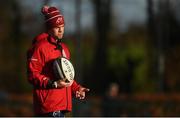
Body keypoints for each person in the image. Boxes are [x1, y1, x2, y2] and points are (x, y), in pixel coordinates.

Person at [27, 6, 90, 117]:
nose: (61, 30)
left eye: (62, 26)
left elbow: (66, 76)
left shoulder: (64, 48)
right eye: (57, 27)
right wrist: (54, 84)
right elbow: (32, 75)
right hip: (48, 109)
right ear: (49, 28)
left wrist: (77, 89)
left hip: (61, 109)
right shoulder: (39, 47)